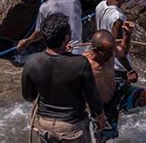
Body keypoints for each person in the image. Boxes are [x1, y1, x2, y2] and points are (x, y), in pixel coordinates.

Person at [21, 13, 105, 143]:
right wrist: (100, 116)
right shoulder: (80, 63)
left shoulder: (32, 62)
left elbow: (28, 96)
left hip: (44, 125)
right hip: (72, 127)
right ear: (66, 38)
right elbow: (92, 96)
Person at [84, 30, 146, 143]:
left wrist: (128, 34)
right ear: (96, 50)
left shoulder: (110, 51)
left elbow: (123, 51)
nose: (111, 56)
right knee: (104, 139)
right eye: (107, 53)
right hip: (102, 106)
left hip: (117, 92)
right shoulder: (84, 63)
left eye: (112, 52)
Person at [17, 0, 84, 54]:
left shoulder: (45, 7)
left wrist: (27, 41)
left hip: (57, 53)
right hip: (77, 51)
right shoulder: (76, 2)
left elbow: (40, 32)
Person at [95, 0, 137, 83]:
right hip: (117, 68)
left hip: (103, 61)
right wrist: (130, 70)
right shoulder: (118, 18)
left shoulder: (100, 6)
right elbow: (117, 48)